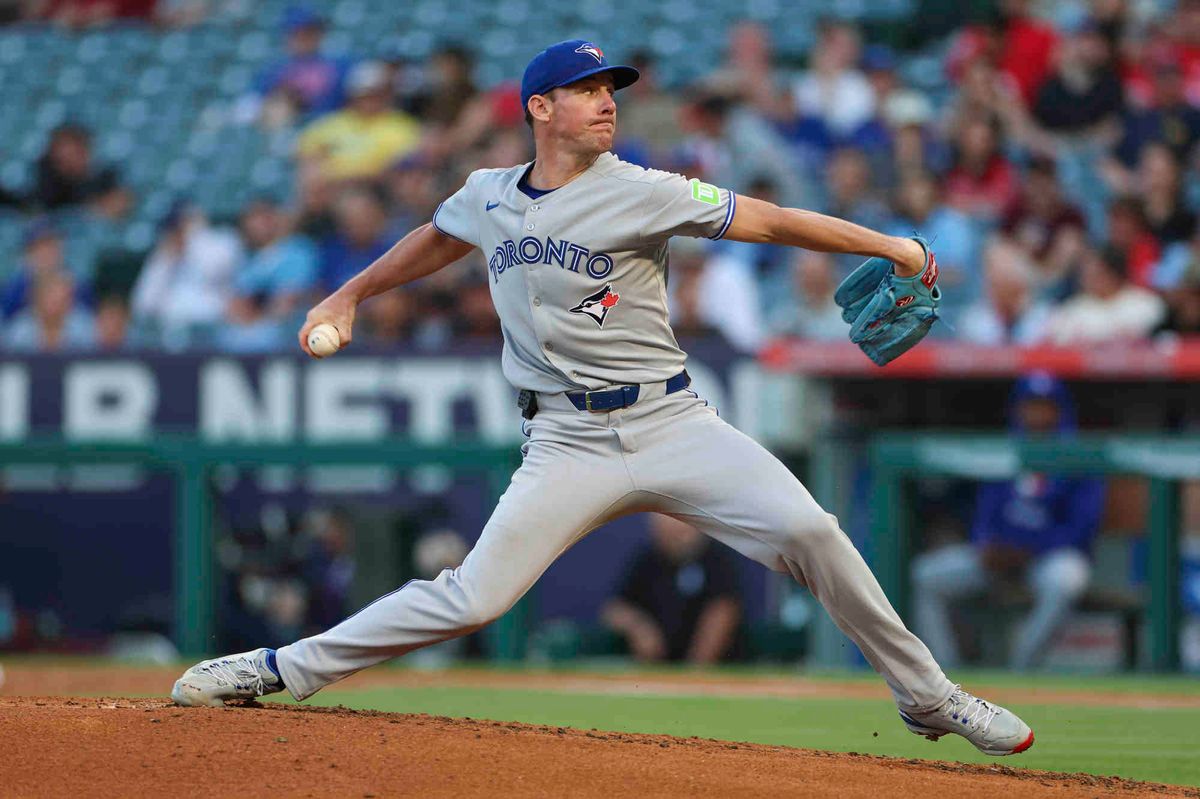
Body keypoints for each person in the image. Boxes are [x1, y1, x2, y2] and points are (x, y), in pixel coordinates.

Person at [172, 39, 1034, 758]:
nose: (605, 102)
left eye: (610, 89)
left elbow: (767, 218)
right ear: (539, 108)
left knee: (813, 531)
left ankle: (928, 695)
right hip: (565, 445)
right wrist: (347, 295)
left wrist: (891, 244)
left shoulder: (645, 187)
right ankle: (278, 668)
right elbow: (434, 240)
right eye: (585, 90)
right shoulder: (488, 196)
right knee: (473, 597)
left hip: (672, 420)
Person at [911, 373, 1106, 670]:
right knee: (925, 575)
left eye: (1045, 406)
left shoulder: (1078, 454)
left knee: (1066, 581)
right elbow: (985, 513)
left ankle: (1020, 670)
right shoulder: (1005, 448)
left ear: (1060, 410)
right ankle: (945, 675)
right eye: (1030, 405)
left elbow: (1081, 528)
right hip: (1000, 558)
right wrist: (987, 544)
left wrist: (1029, 550)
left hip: (1049, 559)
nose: (1037, 414)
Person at [602, 514, 742, 664]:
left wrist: (696, 669)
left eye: (678, 530)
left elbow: (723, 612)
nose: (672, 535)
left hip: (711, 670)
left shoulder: (717, 559)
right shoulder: (646, 560)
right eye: (663, 529)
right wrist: (639, 627)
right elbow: (613, 610)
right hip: (658, 668)